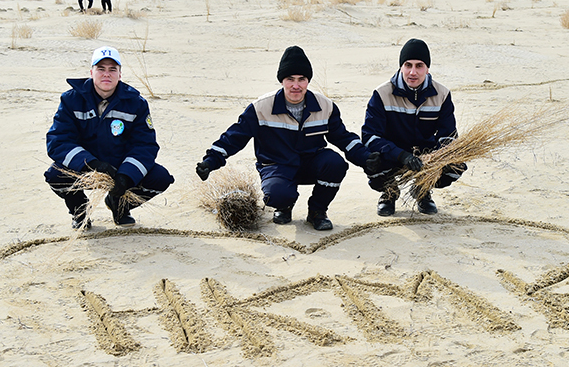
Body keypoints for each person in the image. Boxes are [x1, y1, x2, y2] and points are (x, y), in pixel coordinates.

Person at [194, 46, 378, 231]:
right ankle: (284, 206)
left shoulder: (325, 106)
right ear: (282, 80)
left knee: (335, 163)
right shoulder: (261, 108)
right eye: (290, 79)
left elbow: (343, 137)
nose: (296, 85)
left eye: (301, 79)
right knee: (278, 195)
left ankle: (317, 211)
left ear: (308, 81)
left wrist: (365, 157)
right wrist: (211, 161)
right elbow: (234, 137)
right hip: (276, 165)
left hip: (310, 162)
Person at [44, 46, 174, 229]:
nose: (107, 74)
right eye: (101, 69)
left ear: (120, 74)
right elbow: (58, 140)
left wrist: (126, 176)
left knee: (160, 178)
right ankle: (80, 211)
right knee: (55, 175)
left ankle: (118, 205)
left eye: (113, 69)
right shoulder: (70, 100)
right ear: (91, 72)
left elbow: (145, 145)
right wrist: (91, 163)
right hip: (86, 166)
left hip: (120, 168)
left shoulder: (136, 103)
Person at [360, 38, 467, 216]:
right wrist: (401, 156)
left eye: (419, 66)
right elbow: (370, 136)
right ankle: (389, 193)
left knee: (457, 164)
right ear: (401, 66)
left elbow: (448, 135)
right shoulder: (382, 94)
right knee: (369, 157)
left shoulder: (442, 94)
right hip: (392, 153)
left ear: (427, 68)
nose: (413, 72)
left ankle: (422, 190)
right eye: (408, 65)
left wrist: (436, 157)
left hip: (426, 153)